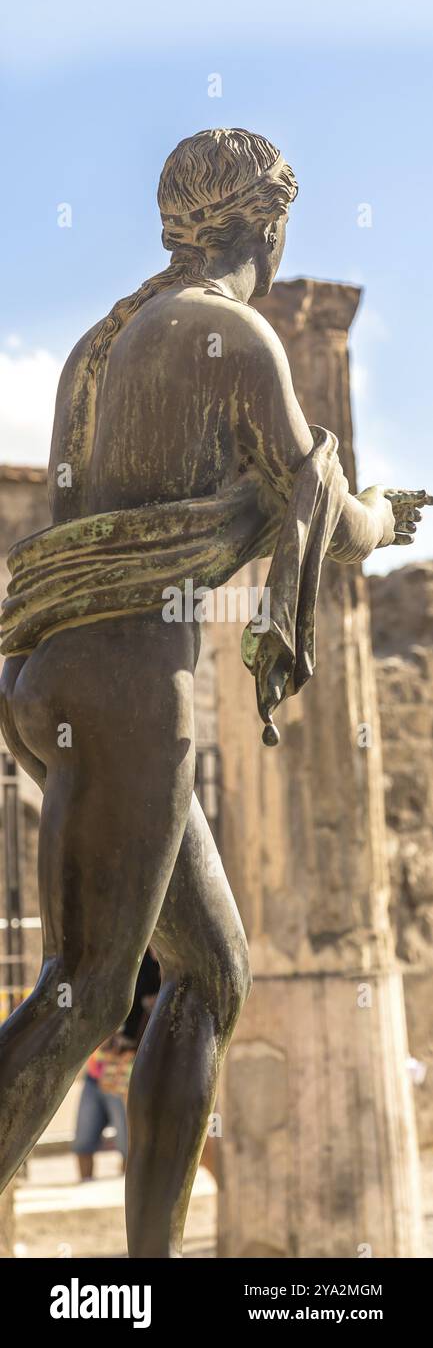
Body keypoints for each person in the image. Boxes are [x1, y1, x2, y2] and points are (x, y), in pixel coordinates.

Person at [0, 128, 430, 1258]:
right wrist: (383, 511)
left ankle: (146, 1270)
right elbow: (322, 514)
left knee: (212, 971)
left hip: (51, 681)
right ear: (268, 223)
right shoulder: (233, 337)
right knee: (85, 992)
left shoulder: (101, 345)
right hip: (131, 686)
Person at [74, 949, 160, 1180]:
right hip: (98, 1068)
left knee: (128, 1148)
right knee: (83, 1144)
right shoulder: (108, 959)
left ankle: (123, 1197)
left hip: (126, 1069)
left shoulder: (153, 967)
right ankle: (86, 1189)